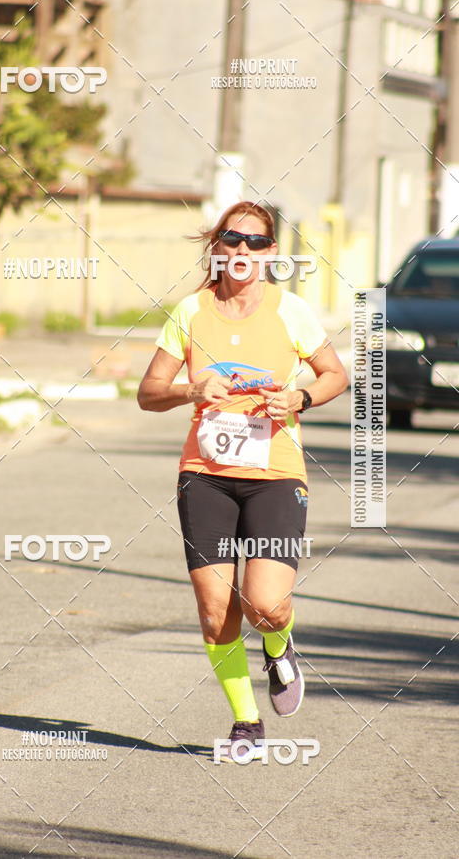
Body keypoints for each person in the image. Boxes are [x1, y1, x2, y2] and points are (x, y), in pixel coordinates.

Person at [137, 201, 348, 762]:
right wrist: (190, 389)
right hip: (203, 475)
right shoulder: (189, 312)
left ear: (271, 253)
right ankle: (246, 721)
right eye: (232, 240)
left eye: (255, 243)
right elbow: (148, 393)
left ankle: (279, 647)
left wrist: (300, 396)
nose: (242, 252)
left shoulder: (291, 312)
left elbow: (335, 375)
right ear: (217, 246)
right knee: (215, 611)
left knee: (265, 605)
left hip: (275, 473)